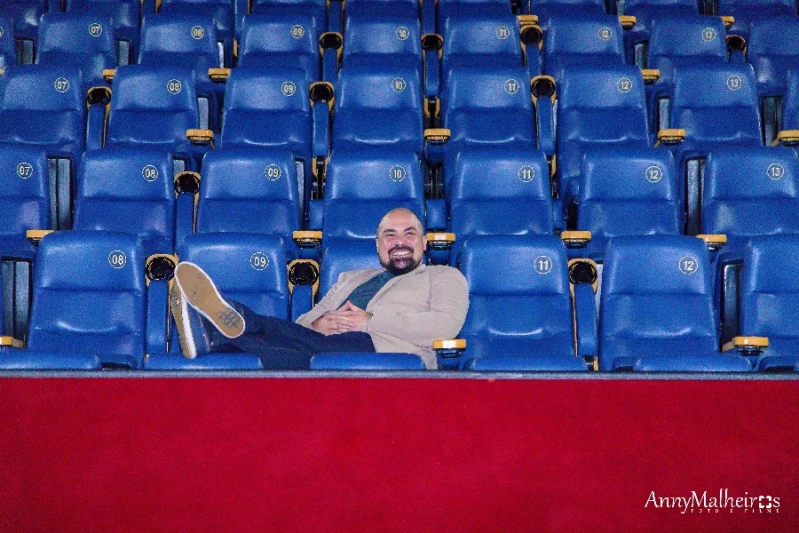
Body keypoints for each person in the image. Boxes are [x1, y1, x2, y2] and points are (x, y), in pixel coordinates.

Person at [170, 208, 469, 369]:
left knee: (295, 348)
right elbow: (301, 324)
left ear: (424, 243)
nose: (400, 242)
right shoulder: (351, 278)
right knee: (291, 338)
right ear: (378, 246)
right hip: (321, 342)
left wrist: (369, 321)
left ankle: (222, 328)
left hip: (382, 351)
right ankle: (221, 329)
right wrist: (318, 323)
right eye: (390, 235)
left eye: (409, 233)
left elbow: (445, 325)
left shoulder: (443, 276)